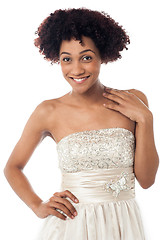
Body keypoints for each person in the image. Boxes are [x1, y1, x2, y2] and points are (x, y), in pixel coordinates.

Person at [4, 8, 159, 240]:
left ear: (102, 55)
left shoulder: (133, 101)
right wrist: (37, 205)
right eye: (67, 59)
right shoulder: (49, 110)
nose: (76, 69)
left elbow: (146, 181)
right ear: (58, 60)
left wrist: (146, 119)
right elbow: (12, 167)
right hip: (72, 226)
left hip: (123, 226)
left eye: (86, 57)